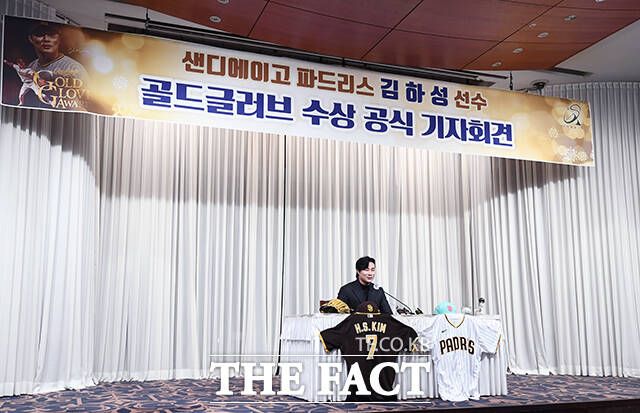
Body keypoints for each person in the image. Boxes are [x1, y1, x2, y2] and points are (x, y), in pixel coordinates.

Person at [23, 21, 89, 108]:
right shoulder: (31, 67)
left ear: (59, 38)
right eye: (40, 34)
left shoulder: (74, 68)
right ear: (31, 39)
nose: (46, 39)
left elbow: (87, 104)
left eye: (52, 34)